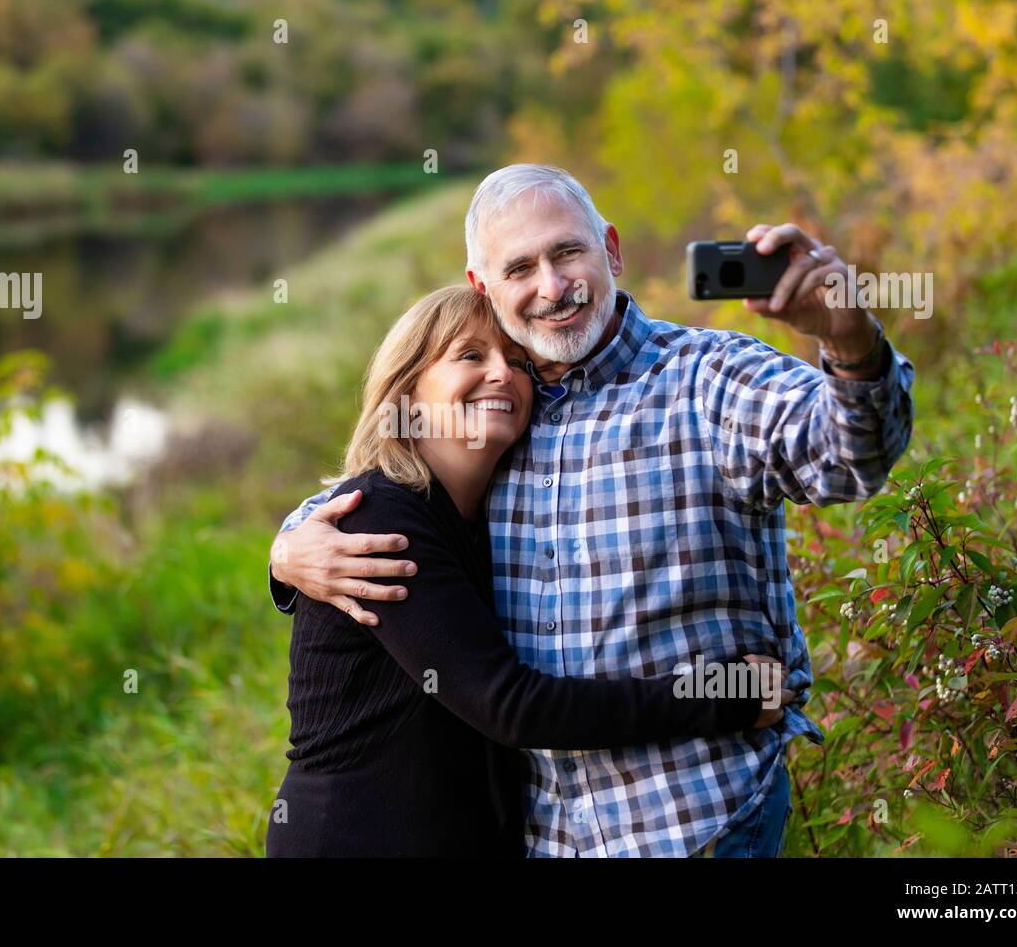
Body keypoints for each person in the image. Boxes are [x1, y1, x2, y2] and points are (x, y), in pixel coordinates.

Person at [268, 164, 916, 857]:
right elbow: (373, 496)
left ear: (610, 249)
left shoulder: (706, 378)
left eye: (567, 252)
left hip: (694, 827)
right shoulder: (500, 417)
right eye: (520, 267)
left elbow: (850, 458)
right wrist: (287, 553)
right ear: (484, 288)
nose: (551, 287)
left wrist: (849, 341)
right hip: (547, 838)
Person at [265, 284, 788, 857]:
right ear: (407, 392)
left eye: (517, 362)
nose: (501, 374)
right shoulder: (382, 520)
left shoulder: (490, 515)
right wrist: (725, 694)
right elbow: (509, 705)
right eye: (470, 355)